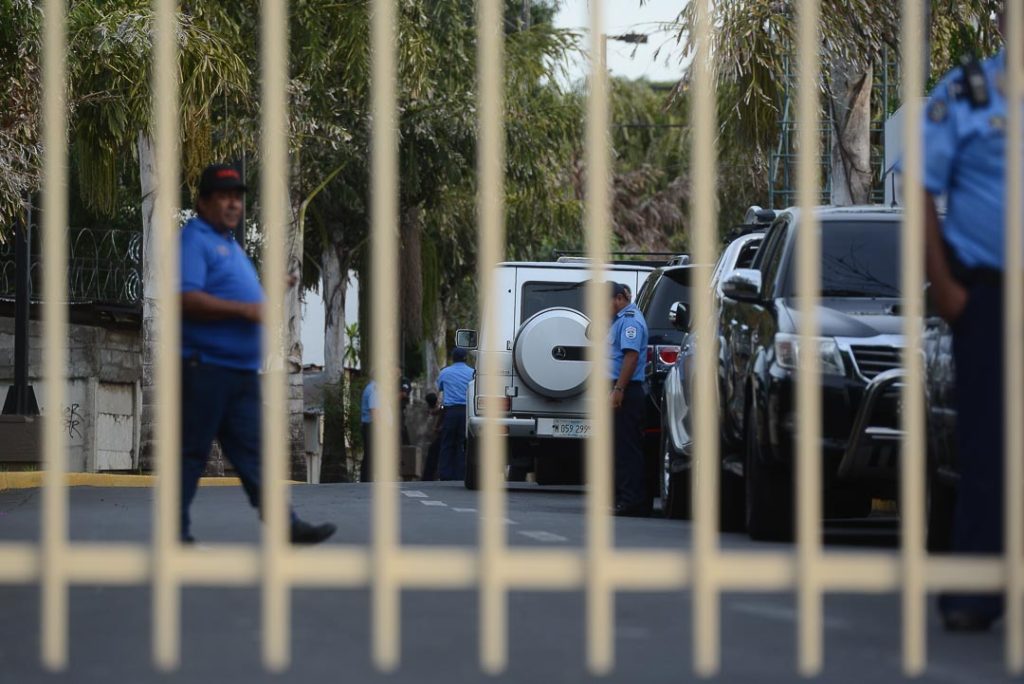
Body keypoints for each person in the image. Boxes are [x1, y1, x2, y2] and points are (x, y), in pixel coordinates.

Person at [179, 163, 335, 545]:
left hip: (240, 371)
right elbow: (186, 297)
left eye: (237, 198)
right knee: (192, 453)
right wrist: (246, 310)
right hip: (207, 368)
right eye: (223, 197)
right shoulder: (194, 240)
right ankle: (174, 532)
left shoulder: (228, 243)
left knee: (254, 453)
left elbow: (234, 293)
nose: (233, 204)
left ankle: (287, 524)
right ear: (202, 202)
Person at [917, 12, 1012, 631]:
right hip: (990, 299)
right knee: (991, 447)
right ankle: (975, 592)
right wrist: (946, 287)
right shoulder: (964, 94)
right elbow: (923, 189)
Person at [608, 281, 650, 517]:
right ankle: (626, 498)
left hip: (626, 389)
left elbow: (631, 358)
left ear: (618, 299)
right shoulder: (616, 320)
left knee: (627, 448)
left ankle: (631, 501)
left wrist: (618, 390)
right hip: (618, 388)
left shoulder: (630, 320)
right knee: (619, 447)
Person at [436, 347, 474, 481]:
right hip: (467, 412)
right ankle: (460, 474)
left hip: (450, 412)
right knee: (462, 443)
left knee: (447, 443)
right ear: (466, 358)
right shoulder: (472, 373)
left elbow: (439, 388)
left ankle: (445, 474)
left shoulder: (445, 373)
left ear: (453, 358)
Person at [421, 393, 443, 481]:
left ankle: (430, 476)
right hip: (439, 433)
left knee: (434, 453)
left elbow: (442, 410)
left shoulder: (440, 407)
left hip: (441, 433)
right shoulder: (437, 409)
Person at [359, 378, 377, 483]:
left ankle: (367, 479)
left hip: (368, 425)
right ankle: (367, 479)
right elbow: (374, 410)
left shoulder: (371, 388)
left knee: (369, 454)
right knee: (371, 454)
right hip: (371, 425)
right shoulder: (374, 390)